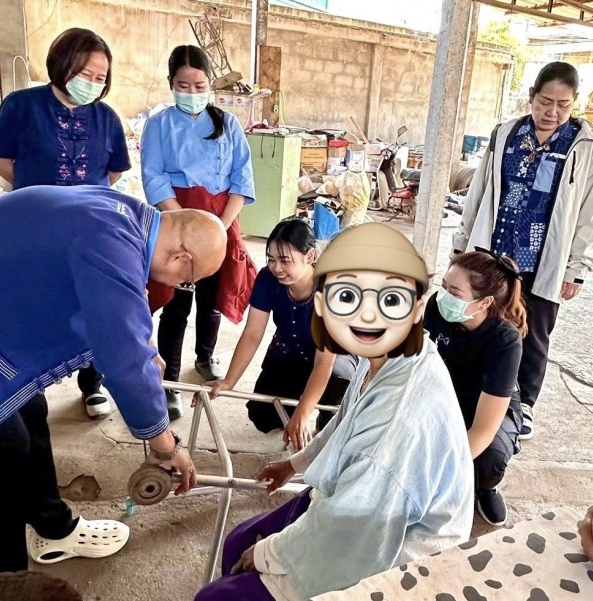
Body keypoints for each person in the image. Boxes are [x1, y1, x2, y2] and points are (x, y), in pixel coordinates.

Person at [0, 185, 226, 576]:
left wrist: (141, 345)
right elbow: (123, 361)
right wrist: (166, 446)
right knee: (2, 450)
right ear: (181, 258)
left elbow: (121, 314)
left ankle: (54, 528)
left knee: (30, 407)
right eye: (188, 281)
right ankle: (3, 578)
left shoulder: (122, 215)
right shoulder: (111, 242)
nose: (182, 286)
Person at [195, 223, 474, 601]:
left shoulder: (394, 424)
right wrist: (294, 464)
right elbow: (346, 421)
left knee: (216, 595)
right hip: (361, 505)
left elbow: (351, 525)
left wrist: (269, 553)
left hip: (401, 547)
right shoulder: (386, 355)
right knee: (237, 543)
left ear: (417, 308)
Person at [0, 27, 130, 419]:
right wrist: (37, 193)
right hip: (31, 226)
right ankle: (26, 389)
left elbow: (114, 171)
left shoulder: (106, 118)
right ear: (62, 64)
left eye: (100, 78)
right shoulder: (21, 106)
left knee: (91, 305)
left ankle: (92, 384)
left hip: (89, 231)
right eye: (85, 74)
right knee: (31, 304)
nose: (92, 84)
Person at [454, 61, 593, 440]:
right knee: (483, 321)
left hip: (545, 256)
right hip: (497, 251)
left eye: (563, 105)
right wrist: (462, 241)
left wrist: (576, 268)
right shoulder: (506, 134)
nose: (552, 112)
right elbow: (480, 190)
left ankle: (524, 403)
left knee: (535, 332)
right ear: (531, 96)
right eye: (545, 101)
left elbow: (587, 214)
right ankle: (477, 390)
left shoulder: (584, 146)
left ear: (574, 103)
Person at [140, 44, 256, 420]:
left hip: (223, 219)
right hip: (177, 220)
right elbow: (154, 177)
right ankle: (170, 383)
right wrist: (184, 225)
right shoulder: (159, 124)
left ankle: (205, 356)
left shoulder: (228, 123)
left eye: (199, 85)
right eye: (183, 85)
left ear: (210, 84)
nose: (191, 92)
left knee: (212, 296)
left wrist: (219, 227)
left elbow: (241, 179)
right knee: (176, 303)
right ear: (171, 83)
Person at [208, 219, 357, 451]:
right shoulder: (267, 278)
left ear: (309, 256)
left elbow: (323, 363)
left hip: (332, 360)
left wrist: (303, 413)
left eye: (285, 260)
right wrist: (229, 381)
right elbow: (252, 334)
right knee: (262, 416)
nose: (277, 268)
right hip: (289, 352)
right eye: (271, 259)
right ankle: (300, 399)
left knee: (333, 401)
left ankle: (325, 413)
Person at [424, 249, 526, 526]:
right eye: (444, 286)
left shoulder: (505, 340)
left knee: (489, 455)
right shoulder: (437, 307)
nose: (443, 296)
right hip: (446, 389)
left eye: (454, 293)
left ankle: (485, 486)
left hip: (488, 402)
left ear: (484, 302)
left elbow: (483, 429)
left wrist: (441, 474)